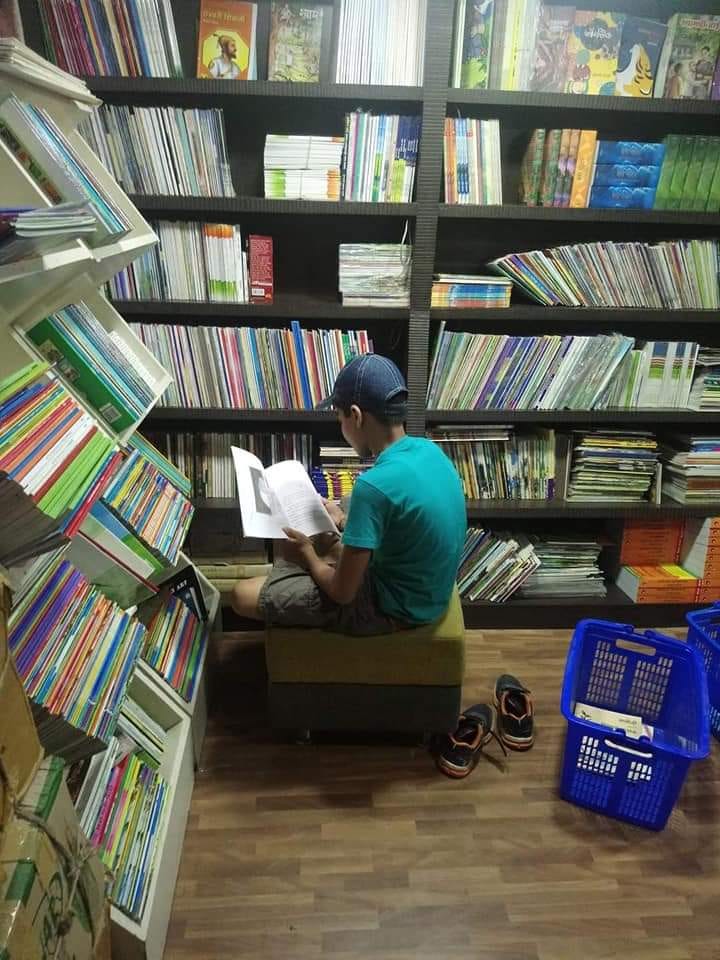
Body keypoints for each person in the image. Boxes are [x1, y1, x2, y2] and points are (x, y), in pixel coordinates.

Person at [232, 354, 467, 635]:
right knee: (335, 524)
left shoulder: (373, 486)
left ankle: (305, 566)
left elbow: (342, 594)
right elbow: (405, 521)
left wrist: (308, 555)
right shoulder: (429, 451)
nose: (340, 426)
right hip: (428, 593)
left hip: (393, 609)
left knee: (241, 595)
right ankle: (325, 549)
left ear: (355, 416)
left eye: (339, 417)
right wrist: (343, 520)